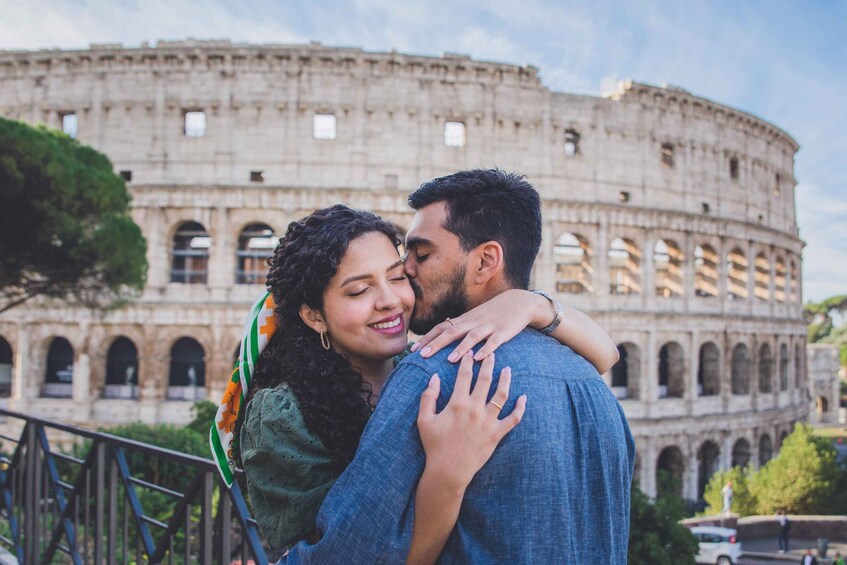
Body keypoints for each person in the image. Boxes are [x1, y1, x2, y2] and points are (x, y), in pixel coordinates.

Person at [215, 202, 620, 560]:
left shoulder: (422, 365)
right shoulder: (282, 414)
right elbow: (350, 553)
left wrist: (529, 303)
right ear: (314, 316)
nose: (390, 300)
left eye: (396, 277)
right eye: (359, 291)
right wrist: (447, 473)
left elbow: (605, 356)